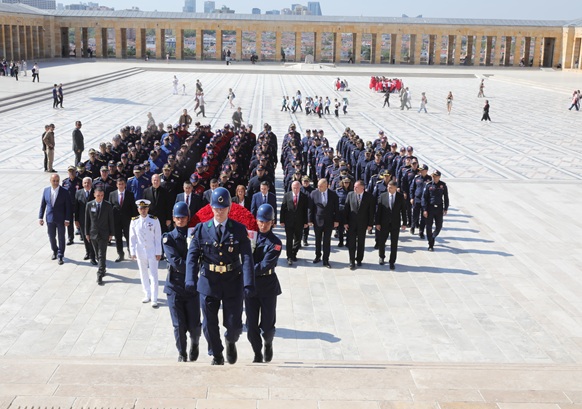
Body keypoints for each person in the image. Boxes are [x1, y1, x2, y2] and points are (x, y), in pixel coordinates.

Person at [185, 187, 255, 365]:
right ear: (211, 207)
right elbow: (192, 256)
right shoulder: (201, 229)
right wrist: (190, 279)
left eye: (223, 208)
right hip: (209, 281)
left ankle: (230, 341)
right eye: (216, 208)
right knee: (209, 324)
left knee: (234, 324)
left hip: (232, 281)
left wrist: (248, 283)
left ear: (229, 208)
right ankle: (217, 354)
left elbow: (247, 257)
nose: (219, 211)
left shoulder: (238, 229)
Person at [163, 202, 202, 362]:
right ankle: (182, 353)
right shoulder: (168, 238)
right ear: (173, 218)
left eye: (183, 217)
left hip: (192, 286)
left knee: (194, 325)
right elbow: (176, 262)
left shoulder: (195, 236)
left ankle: (195, 344)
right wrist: (193, 265)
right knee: (179, 325)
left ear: (188, 218)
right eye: (178, 218)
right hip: (175, 285)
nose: (180, 220)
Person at [245, 203, 282, 363]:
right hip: (251, 286)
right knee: (251, 326)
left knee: (267, 326)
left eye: (267, 222)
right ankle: (257, 352)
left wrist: (246, 269)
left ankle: (268, 342)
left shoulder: (276, 242)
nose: (263, 225)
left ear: (272, 222)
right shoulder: (250, 237)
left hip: (267, 286)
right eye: (261, 221)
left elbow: (265, 265)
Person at [130, 199, 163, 306]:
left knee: (153, 274)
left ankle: (154, 297)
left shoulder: (154, 220)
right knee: (143, 273)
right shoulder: (134, 221)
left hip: (152, 250)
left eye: (145, 208)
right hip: (140, 251)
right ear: (138, 209)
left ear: (148, 209)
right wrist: (132, 251)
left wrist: (158, 251)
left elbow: (158, 237)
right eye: (141, 208)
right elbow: (132, 238)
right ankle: (147, 294)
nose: (143, 210)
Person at [39, 173, 72, 265]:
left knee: (61, 237)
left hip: (61, 219)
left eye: (57, 181)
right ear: (50, 181)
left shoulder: (64, 192)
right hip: (50, 219)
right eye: (54, 181)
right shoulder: (46, 190)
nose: (55, 182)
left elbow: (68, 207)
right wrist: (40, 217)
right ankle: (55, 250)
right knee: (51, 236)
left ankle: (60, 255)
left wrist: (67, 219)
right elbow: (43, 205)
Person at [85, 187, 115, 284]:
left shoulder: (107, 205)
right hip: (93, 233)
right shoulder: (89, 205)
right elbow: (87, 220)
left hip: (104, 233)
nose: (100, 197)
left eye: (102, 195)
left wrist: (111, 233)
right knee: (97, 254)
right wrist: (87, 233)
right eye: (98, 195)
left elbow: (111, 220)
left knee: (102, 253)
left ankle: (100, 273)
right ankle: (103, 267)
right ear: (94, 195)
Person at [308, 178, 339, 268]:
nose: (319, 187)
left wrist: (336, 220)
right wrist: (309, 220)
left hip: (329, 221)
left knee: (327, 241)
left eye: (321, 186)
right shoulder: (314, 193)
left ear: (326, 186)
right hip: (317, 221)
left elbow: (336, 208)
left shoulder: (333, 194)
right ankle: (318, 256)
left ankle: (326, 259)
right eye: (318, 186)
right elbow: (310, 208)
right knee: (318, 240)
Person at [376, 180, 407, 269]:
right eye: (388, 187)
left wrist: (404, 223)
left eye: (391, 188)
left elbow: (403, 211)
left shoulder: (400, 197)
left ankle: (392, 261)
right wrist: (377, 223)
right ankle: (381, 256)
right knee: (382, 242)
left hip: (395, 224)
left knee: (394, 243)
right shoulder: (383, 196)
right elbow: (378, 211)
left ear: (395, 188)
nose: (389, 189)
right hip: (384, 223)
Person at [343, 180, 374, 270]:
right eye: (354, 187)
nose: (354, 188)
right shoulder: (350, 195)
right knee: (351, 243)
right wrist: (345, 222)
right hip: (351, 224)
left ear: (362, 187)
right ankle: (352, 261)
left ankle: (359, 259)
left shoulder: (369, 197)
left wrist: (370, 224)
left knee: (361, 243)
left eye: (356, 187)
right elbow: (346, 209)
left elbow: (371, 212)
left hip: (362, 224)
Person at [279, 181, 308, 265]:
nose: (296, 189)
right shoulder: (287, 195)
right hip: (289, 222)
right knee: (289, 240)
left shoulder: (304, 196)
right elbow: (283, 209)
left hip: (299, 222)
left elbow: (305, 210)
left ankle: (294, 253)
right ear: (291, 188)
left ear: (300, 188)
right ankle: (289, 257)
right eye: (294, 188)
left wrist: (306, 222)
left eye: (297, 188)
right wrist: (282, 220)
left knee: (298, 240)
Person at [109, 177, 137, 262]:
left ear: (125, 185)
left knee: (129, 236)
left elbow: (133, 208)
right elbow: (110, 208)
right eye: (119, 184)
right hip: (116, 220)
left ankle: (130, 251)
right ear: (116, 185)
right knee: (118, 238)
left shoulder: (130, 194)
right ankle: (120, 254)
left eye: (122, 184)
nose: (121, 186)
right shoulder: (112, 194)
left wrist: (134, 220)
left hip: (127, 220)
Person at [422, 170, 449, 252]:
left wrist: (445, 208)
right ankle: (430, 244)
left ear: (439, 177)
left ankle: (433, 237)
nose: (434, 177)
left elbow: (446, 197)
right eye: (433, 176)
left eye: (436, 176)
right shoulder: (428, 185)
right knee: (429, 226)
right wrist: (424, 209)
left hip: (439, 208)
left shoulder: (443, 185)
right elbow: (424, 198)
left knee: (439, 226)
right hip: (430, 208)